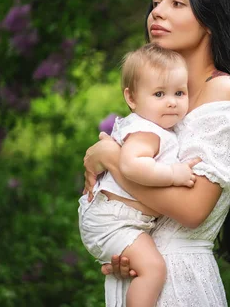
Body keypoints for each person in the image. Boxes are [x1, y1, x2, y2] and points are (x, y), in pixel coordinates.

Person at [82, 0, 230, 306]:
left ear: (211, 20)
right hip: (146, 278)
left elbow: (191, 208)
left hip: (181, 283)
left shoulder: (222, 90)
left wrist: (111, 157)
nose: (158, 12)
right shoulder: (165, 98)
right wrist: (122, 245)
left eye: (177, 2)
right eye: (156, 2)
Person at [79, 43, 197, 307]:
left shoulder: (155, 127)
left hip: (117, 217)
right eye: (158, 94)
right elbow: (131, 166)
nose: (171, 101)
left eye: (179, 92)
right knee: (153, 269)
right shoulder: (147, 132)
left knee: (150, 267)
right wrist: (174, 174)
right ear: (132, 99)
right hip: (114, 220)